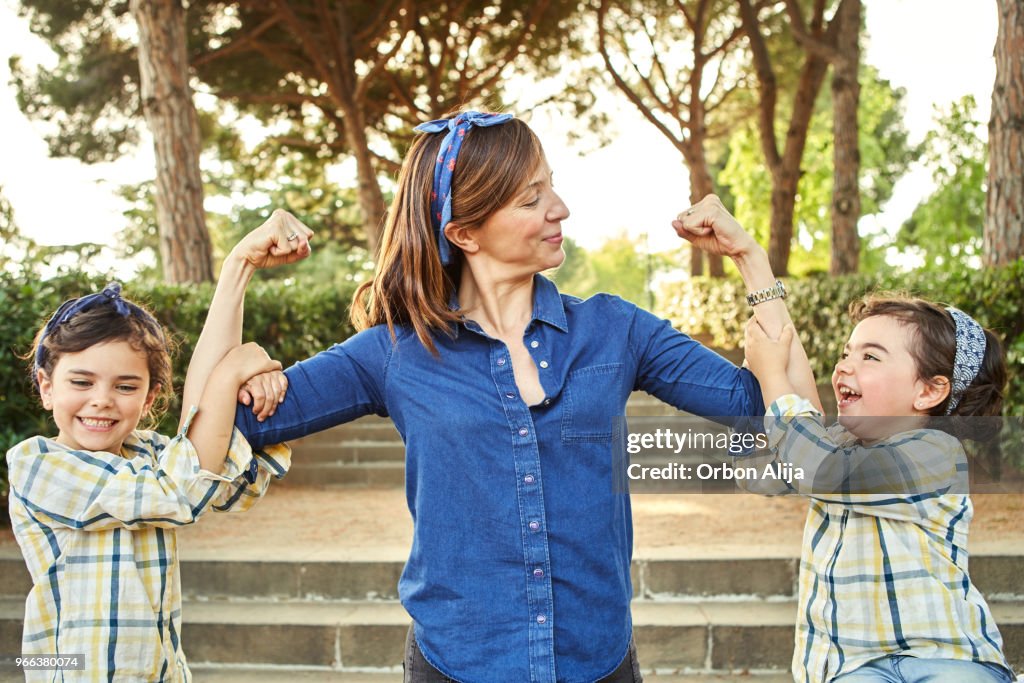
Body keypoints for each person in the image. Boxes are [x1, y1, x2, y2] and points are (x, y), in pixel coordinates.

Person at [230, 109, 808, 682]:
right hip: (457, 665)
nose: (559, 208)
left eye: (551, 186)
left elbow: (782, 415)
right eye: (530, 199)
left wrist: (750, 260)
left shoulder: (616, 329)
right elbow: (212, 438)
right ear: (464, 232)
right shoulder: (393, 353)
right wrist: (239, 273)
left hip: (598, 663)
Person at [5, 219, 307, 682]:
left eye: (125, 385)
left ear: (149, 399)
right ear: (46, 387)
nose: (101, 399)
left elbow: (216, 475)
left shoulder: (147, 452)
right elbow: (179, 487)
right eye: (81, 382)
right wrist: (229, 377)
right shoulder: (36, 464)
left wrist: (238, 268)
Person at [742, 293, 1016, 683]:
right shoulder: (832, 446)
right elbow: (757, 474)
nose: (843, 368)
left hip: (946, 657)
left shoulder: (936, 452)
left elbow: (821, 468)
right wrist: (759, 380)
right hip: (852, 667)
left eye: (870, 357)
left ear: (929, 391)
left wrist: (773, 379)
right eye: (845, 353)